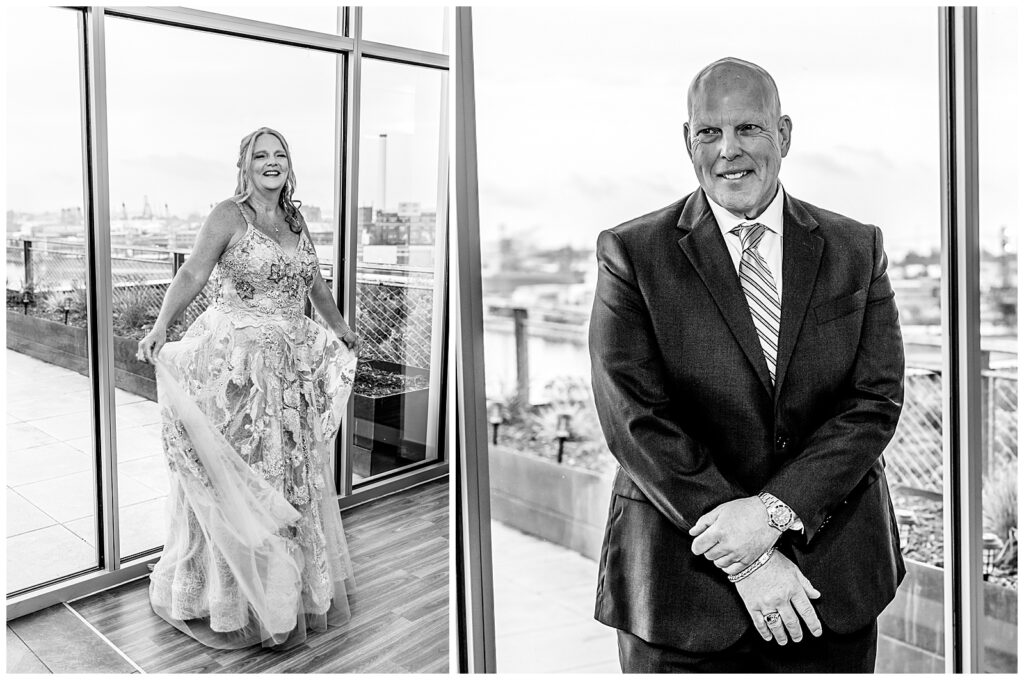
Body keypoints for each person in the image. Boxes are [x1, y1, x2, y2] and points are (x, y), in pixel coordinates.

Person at [588, 57, 905, 673]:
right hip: (681, 591)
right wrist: (752, 558)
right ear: (688, 141)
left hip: (831, 581)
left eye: (749, 129)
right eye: (709, 132)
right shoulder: (630, 253)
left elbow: (875, 401)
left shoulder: (857, 247)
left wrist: (772, 512)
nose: (728, 151)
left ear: (783, 134)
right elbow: (634, 420)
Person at [136, 126, 361, 650]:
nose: (271, 162)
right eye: (261, 155)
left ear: (289, 164)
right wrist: (161, 325)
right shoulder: (227, 215)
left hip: (291, 373)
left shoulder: (296, 218)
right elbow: (193, 272)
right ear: (245, 164)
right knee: (244, 477)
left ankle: (290, 595)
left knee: (292, 476)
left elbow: (316, 285)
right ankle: (228, 599)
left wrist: (341, 327)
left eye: (279, 154)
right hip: (239, 371)